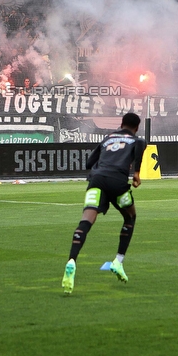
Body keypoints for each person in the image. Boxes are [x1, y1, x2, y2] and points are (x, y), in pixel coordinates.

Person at [62, 112, 146, 295]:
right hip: (117, 183)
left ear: (121, 123)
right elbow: (139, 152)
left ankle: (72, 260)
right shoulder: (138, 140)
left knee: (86, 220)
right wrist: (137, 173)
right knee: (130, 216)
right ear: (137, 127)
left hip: (96, 181)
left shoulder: (107, 138)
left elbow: (89, 163)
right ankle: (118, 261)